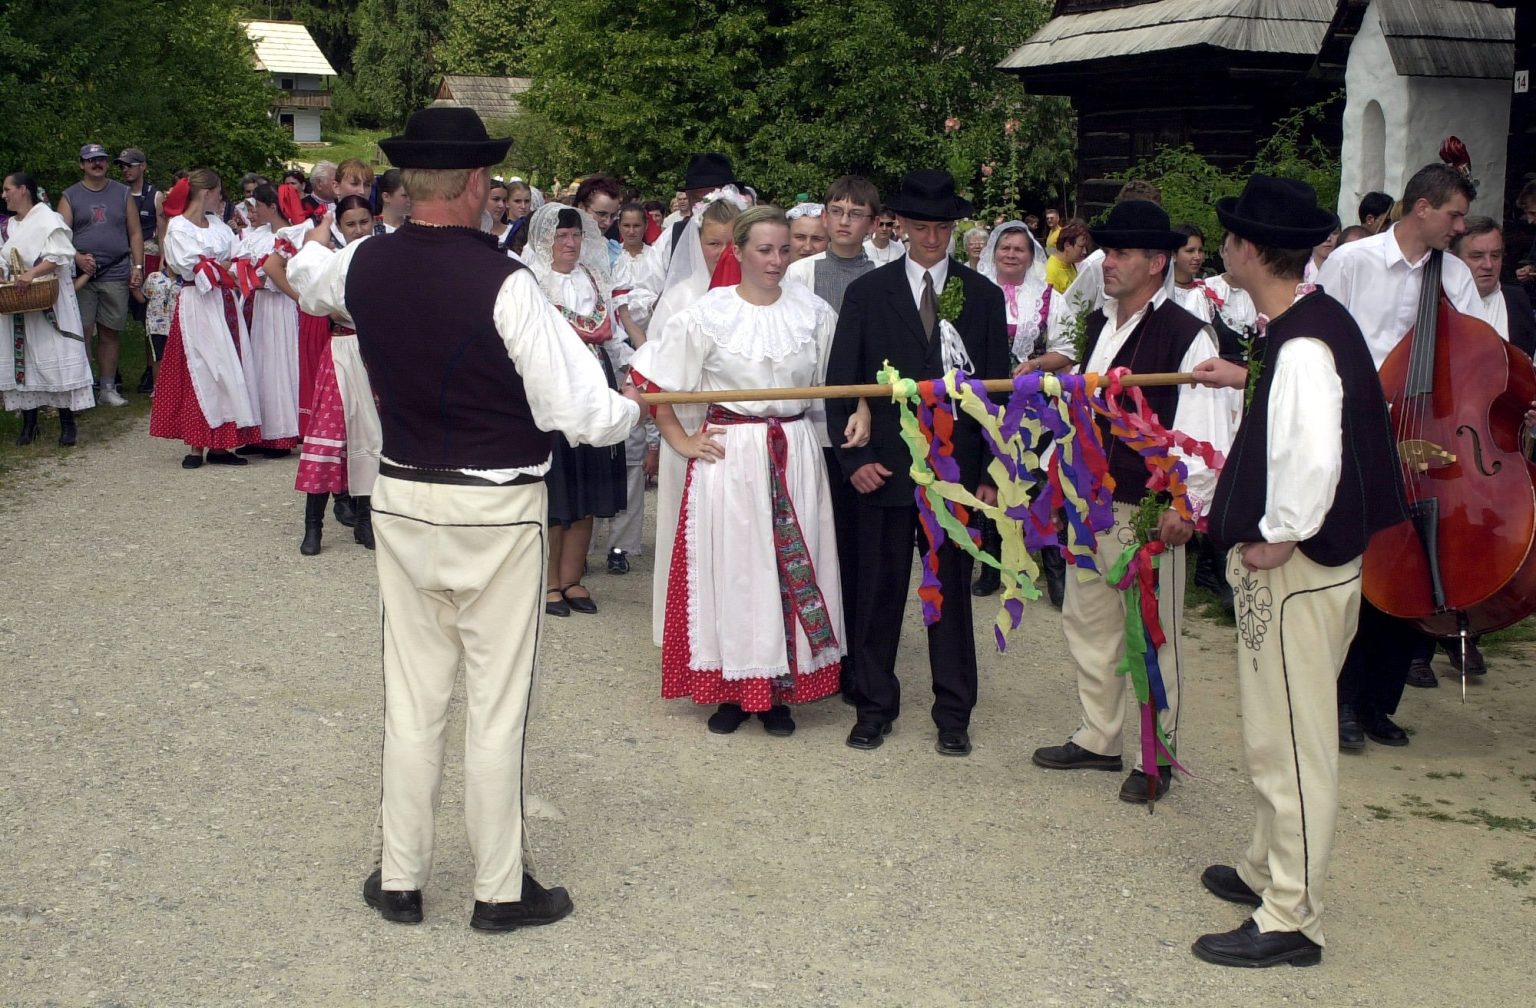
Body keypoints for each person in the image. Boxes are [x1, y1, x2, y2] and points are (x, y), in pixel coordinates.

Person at [286, 105, 642, 931]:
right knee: (495, 704)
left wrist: (308, 249)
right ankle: (498, 887)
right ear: (479, 184)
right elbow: (580, 410)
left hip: (404, 497)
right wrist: (631, 409)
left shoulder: (365, 263)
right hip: (494, 507)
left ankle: (403, 877)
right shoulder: (506, 283)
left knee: (413, 700)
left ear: (411, 183)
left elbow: (307, 277)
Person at [1189, 174, 1406, 968]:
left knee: (1290, 737)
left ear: (1249, 250)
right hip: (1306, 565)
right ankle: (1266, 867)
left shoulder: (1306, 338)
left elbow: (1315, 452)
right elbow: (1314, 407)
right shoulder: (1301, 327)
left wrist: (1280, 534)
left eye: (1229, 238)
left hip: (1299, 568)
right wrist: (1247, 377)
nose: (1223, 248)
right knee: (1274, 727)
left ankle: (1293, 914)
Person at [1030, 199, 1231, 804]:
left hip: (1144, 506)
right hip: (1091, 500)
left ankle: (1155, 753)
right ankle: (1099, 736)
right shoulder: (1099, 326)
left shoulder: (1187, 334)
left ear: (1156, 262)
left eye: (1119, 254)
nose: (1106, 263)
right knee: (1088, 623)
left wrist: (1186, 502)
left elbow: (1207, 423)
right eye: (1106, 251)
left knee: (1151, 631)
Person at [631, 205, 857, 736]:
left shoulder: (815, 312)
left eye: (784, 249)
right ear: (738, 251)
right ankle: (732, 689)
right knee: (736, 570)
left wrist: (861, 410)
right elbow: (653, 384)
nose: (777, 260)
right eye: (764, 249)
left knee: (786, 565)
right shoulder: (708, 314)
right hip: (731, 457)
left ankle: (779, 692)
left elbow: (843, 380)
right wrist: (683, 441)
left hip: (793, 450)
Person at [825, 169, 1009, 757]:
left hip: (953, 477)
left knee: (949, 597)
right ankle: (873, 703)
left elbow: (995, 393)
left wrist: (988, 472)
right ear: (899, 226)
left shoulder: (981, 295)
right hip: (882, 468)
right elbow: (843, 381)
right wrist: (853, 458)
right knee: (876, 592)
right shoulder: (868, 293)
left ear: (954, 230)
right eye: (921, 227)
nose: (932, 238)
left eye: (942, 228)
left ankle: (953, 711)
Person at [1315, 162, 1486, 750]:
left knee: (1411, 569)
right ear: (1422, 208)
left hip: (1429, 436)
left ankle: (1377, 703)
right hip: (1361, 431)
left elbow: (1476, 356)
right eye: (1454, 214)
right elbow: (1323, 342)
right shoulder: (1352, 263)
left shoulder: (1455, 276)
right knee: (1358, 572)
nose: (1460, 228)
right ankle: (1338, 701)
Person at [784, 175, 881, 700]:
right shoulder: (800, 272)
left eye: (856, 213)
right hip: (809, 424)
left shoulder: (885, 272)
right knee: (814, 539)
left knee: (855, 543)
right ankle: (809, 643)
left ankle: (854, 650)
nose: (844, 221)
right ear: (824, 215)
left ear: (872, 222)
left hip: (860, 423)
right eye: (836, 210)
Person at [525, 202, 642, 617]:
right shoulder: (532, 282)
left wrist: (630, 374)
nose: (570, 243)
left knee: (589, 483)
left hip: (595, 382)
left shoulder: (594, 278)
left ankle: (573, 578)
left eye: (575, 235)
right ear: (544, 240)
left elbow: (611, 338)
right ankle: (549, 582)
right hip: (554, 388)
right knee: (559, 486)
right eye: (561, 236)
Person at [147, 169, 261, 467]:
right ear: (205, 192)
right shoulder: (179, 227)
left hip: (223, 303)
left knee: (228, 366)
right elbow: (191, 266)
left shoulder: (218, 226)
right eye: (218, 191)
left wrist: (218, 265)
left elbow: (239, 259)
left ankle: (222, 445)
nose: (221, 197)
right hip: (197, 304)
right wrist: (218, 265)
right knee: (202, 366)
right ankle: (196, 444)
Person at [291, 195, 383, 554]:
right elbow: (303, 274)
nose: (359, 230)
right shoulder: (330, 261)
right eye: (350, 224)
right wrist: (323, 228)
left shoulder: (383, 256)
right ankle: (312, 526)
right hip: (343, 349)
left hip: (374, 354)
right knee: (328, 434)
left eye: (364, 222)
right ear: (339, 229)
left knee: (371, 433)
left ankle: (365, 521)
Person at [1, 171, 94, 445]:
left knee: (55, 353)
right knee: (25, 358)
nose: (3, 194)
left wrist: (32, 274)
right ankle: (29, 424)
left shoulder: (48, 219)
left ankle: (67, 423)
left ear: (23, 191)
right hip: (19, 303)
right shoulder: (8, 227)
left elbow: (60, 255)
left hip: (49, 300)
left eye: (7, 189)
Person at [58, 143, 144, 406]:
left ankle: (107, 388)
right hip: (83, 275)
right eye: (91, 160)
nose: (97, 164)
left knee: (110, 331)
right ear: (82, 164)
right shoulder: (70, 195)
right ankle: (83, 387)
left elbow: (135, 232)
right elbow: (60, 237)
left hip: (116, 270)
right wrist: (77, 258)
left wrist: (138, 267)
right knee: (81, 331)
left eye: (101, 159)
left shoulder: (122, 193)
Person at [231, 183, 302, 461]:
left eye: (257, 206)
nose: (252, 212)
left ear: (272, 207)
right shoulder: (257, 236)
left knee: (278, 365)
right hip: (257, 305)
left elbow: (292, 271)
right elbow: (239, 264)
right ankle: (258, 432)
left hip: (281, 306)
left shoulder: (294, 234)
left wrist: (264, 280)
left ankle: (281, 433)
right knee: (257, 365)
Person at [1045, 221, 1088, 294]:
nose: (1085, 252)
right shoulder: (1050, 274)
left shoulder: (1069, 263)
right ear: (1067, 245)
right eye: (1081, 247)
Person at [375, 169, 408, 233]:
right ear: (386, 197)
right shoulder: (372, 229)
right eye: (405, 195)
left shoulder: (414, 227)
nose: (410, 200)